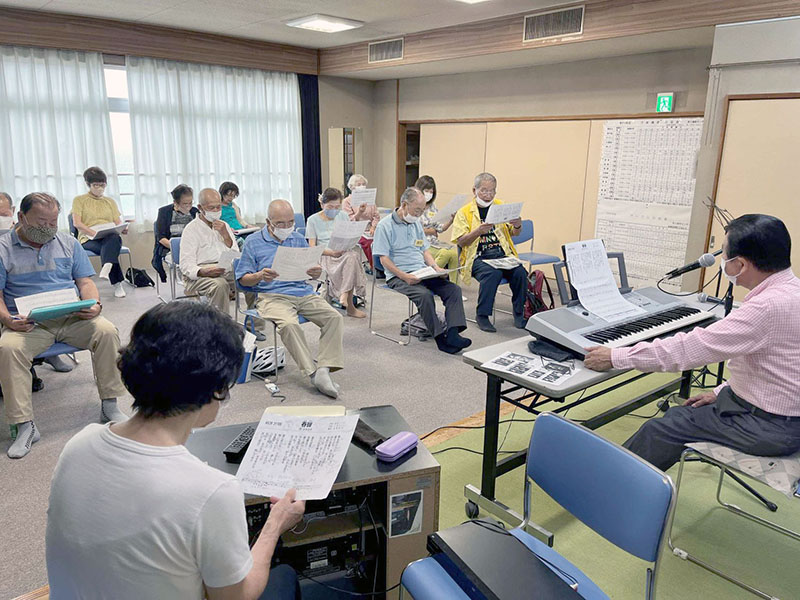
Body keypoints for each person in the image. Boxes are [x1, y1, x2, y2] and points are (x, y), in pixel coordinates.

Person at [46, 301, 305, 599]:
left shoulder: (78, 444)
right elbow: (237, 596)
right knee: (283, 577)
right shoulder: (212, 491)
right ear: (217, 388)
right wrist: (275, 524)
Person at [584, 214, 800, 472]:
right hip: (782, 415)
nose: (722, 262)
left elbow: (688, 349)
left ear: (741, 265)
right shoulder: (792, 291)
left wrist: (616, 357)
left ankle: (607, 482)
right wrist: (721, 392)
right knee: (680, 412)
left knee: (661, 429)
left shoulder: (766, 308)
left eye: (724, 255)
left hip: (769, 427)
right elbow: (781, 367)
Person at [0, 192, 127, 459]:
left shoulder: (68, 242)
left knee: (106, 331)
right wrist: (7, 319)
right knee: (9, 348)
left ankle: (110, 405)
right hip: (28, 323)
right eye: (41, 222)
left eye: (53, 222)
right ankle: (25, 425)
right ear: (21, 217)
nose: (48, 228)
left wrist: (94, 304)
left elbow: (85, 282)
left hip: (71, 316)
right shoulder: (3, 248)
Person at [236, 199, 344, 398]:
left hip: (302, 291)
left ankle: (324, 369)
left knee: (334, 317)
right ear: (268, 222)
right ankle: (313, 374)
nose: (286, 227)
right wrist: (259, 275)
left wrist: (315, 271)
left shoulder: (297, 238)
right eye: (280, 223)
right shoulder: (253, 242)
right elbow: (242, 279)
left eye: (290, 222)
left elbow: (309, 270)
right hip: (272, 295)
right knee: (289, 325)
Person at [373, 187, 471, 354]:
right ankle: (440, 338)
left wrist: (436, 268)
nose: (419, 214)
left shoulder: (415, 223)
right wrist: (405, 276)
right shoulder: (385, 226)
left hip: (422, 271)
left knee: (453, 289)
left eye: (422, 210)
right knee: (424, 295)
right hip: (398, 276)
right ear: (404, 205)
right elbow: (383, 259)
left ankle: (453, 334)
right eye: (417, 210)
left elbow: (425, 250)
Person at [452, 172, 526, 333]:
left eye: (492, 191)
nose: (488, 195)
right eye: (484, 191)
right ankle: (482, 315)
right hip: (477, 257)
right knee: (492, 274)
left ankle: (519, 313)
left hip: (500, 254)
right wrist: (478, 231)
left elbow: (514, 233)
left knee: (520, 272)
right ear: (474, 190)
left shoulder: (500, 206)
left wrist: (518, 225)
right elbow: (461, 242)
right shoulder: (464, 212)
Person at [306, 187, 367, 318]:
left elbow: (349, 230)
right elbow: (312, 247)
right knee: (351, 259)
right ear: (322, 204)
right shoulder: (312, 220)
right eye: (330, 207)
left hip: (343, 252)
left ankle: (344, 295)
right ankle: (349, 304)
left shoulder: (342, 215)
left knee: (352, 256)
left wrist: (359, 214)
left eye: (337, 207)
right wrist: (331, 253)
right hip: (325, 255)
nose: (334, 210)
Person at [71, 166, 129, 298]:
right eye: (96, 185)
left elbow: (117, 222)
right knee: (111, 249)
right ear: (88, 184)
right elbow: (77, 223)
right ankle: (117, 283)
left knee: (113, 239)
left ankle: (107, 266)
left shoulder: (110, 201)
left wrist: (123, 228)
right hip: (88, 238)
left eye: (102, 185)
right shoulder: (79, 200)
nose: (99, 188)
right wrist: (93, 233)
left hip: (108, 236)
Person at [415, 175, 459, 284]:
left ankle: (454, 285)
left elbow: (440, 228)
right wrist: (430, 231)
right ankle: (427, 278)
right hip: (419, 244)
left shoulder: (432, 207)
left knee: (454, 254)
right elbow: (412, 229)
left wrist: (451, 220)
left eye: (431, 191)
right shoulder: (413, 206)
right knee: (445, 253)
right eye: (426, 191)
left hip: (434, 243)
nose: (429, 194)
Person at [151, 183, 198, 283]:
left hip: (193, 248)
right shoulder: (164, 212)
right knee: (183, 263)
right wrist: (178, 247)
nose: (189, 206)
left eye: (190, 203)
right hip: (172, 249)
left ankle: (199, 284)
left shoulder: (195, 212)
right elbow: (161, 238)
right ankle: (188, 282)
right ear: (175, 203)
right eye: (185, 204)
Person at [342, 174, 383, 277]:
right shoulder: (347, 202)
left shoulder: (370, 200)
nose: (362, 186)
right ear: (352, 187)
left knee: (383, 239)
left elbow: (376, 216)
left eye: (363, 184)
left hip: (370, 229)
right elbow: (349, 220)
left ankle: (385, 266)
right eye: (359, 184)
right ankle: (375, 268)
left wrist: (373, 227)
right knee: (369, 243)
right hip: (355, 230)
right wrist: (359, 212)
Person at [220, 181, 257, 247]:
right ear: (222, 193)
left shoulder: (233, 205)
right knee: (241, 242)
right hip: (229, 232)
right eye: (229, 195)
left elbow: (240, 220)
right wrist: (227, 229)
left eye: (233, 196)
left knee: (254, 239)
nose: (231, 198)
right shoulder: (217, 206)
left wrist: (247, 226)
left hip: (240, 230)